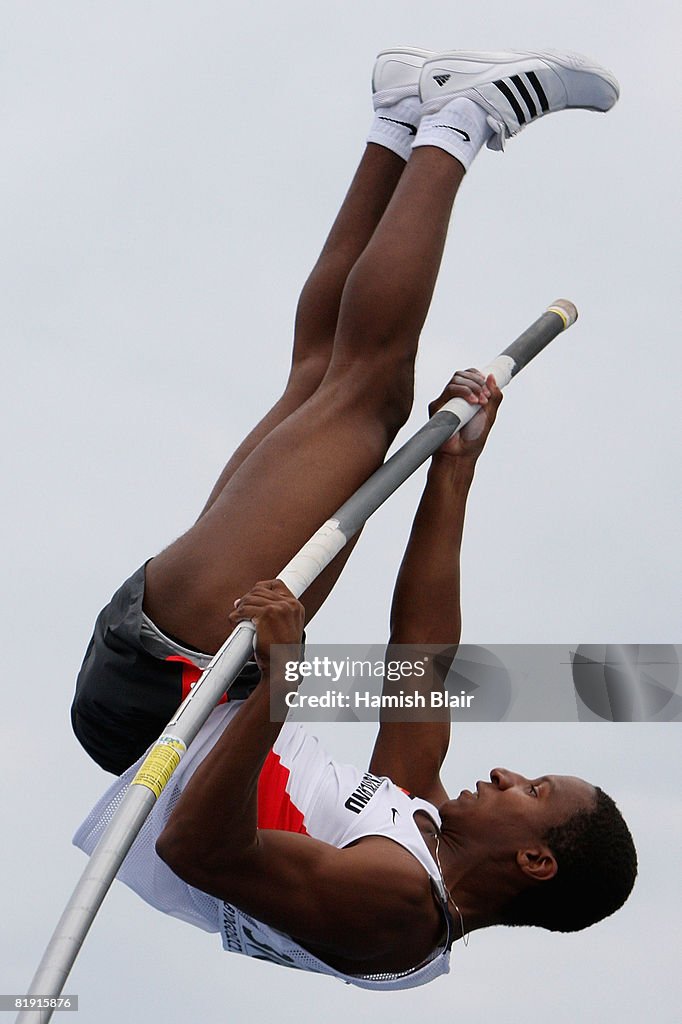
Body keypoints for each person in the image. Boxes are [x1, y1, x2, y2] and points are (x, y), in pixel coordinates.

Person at [72, 49, 636, 989]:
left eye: (534, 792)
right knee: (322, 382)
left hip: (177, 686)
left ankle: (460, 125)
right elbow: (422, 657)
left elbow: (199, 850)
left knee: (368, 398)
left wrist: (286, 677)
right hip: (196, 680)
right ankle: (398, 118)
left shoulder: (398, 914)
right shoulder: (415, 825)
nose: (505, 776)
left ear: (536, 861)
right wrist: (453, 472)